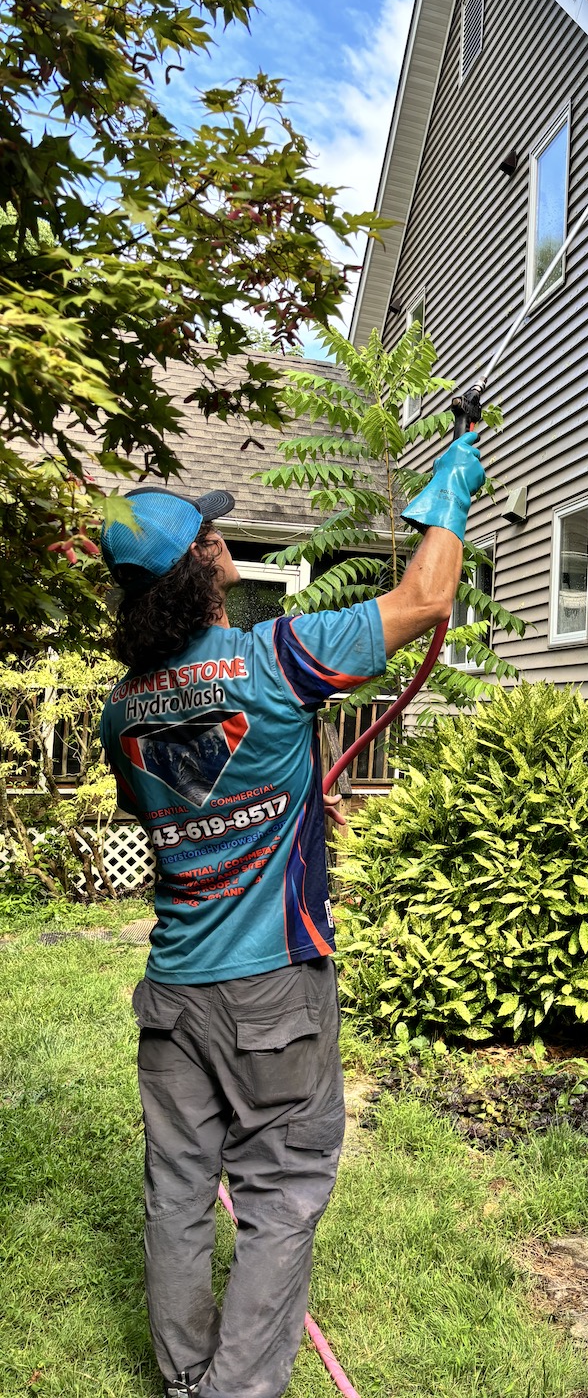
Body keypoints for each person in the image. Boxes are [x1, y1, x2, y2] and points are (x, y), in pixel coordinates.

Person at [99, 431, 485, 1398]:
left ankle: (186, 1380)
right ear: (201, 569)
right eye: (212, 538)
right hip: (271, 986)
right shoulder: (275, 658)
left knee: (181, 1196)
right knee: (279, 1196)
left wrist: (291, 798)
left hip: (174, 990)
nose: (226, 544)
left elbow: (186, 804)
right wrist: (453, 487)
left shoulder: (120, 710)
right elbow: (427, 600)